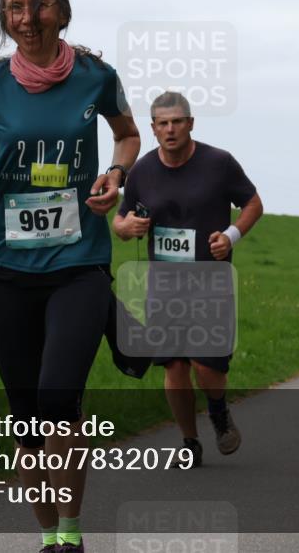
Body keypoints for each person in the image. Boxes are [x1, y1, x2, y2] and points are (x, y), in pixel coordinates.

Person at [0, 0, 141, 553]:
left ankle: (71, 533)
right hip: (8, 268)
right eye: (15, 8)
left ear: (63, 12)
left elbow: (128, 134)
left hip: (80, 264)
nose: (28, 19)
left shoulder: (96, 75)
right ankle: (51, 535)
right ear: (4, 17)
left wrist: (116, 174)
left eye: (40, 5)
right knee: (26, 415)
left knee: (58, 399)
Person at [113, 91, 263, 468]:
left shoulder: (219, 163)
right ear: (153, 128)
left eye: (177, 122)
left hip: (210, 281)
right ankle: (189, 441)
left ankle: (218, 411)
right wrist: (126, 227)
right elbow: (120, 220)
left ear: (190, 123)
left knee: (206, 364)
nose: (170, 129)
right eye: (162, 123)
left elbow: (253, 203)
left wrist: (230, 236)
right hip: (163, 285)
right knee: (174, 365)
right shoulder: (142, 171)